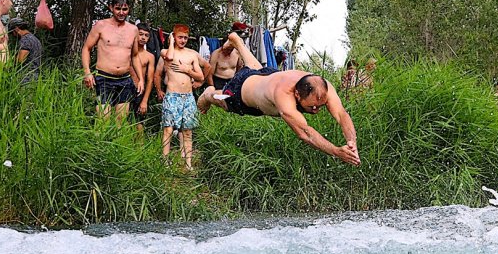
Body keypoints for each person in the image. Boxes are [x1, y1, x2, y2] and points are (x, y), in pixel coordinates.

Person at [197, 33, 360, 166]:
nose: (317, 110)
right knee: (223, 100)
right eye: (313, 107)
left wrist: (352, 143)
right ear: (296, 95)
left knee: (257, 70)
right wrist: (337, 152)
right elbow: (306, 134)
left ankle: (237, 42)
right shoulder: (284, 96)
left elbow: (341, 114)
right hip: (242, 91)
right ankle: (208, 95)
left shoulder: (322, 87)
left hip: (268, 75)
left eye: (321, 105)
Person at [81, 0, 144, 119]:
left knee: (121, 121)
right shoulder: (101, 25)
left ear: (129, 10)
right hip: (104, 78)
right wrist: (87, 72)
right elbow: (86, 49)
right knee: (103, 120)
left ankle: (118, 139)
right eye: (118, 9)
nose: (121, 12)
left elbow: (135, 56)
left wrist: (140, 78)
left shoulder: (133, 30)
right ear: (111, 8)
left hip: (125, 79)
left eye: (124, 9)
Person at [160, 25, 204, 170]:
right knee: (168, 129)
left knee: (187, 131)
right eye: (180, 37)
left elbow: (201, 76)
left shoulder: (191, 55)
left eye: (185, 37)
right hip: (172, 95)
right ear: (173, 36)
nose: (183, 40)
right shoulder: (165, 51)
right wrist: (171, 42)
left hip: (188, 97)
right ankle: (165, 162)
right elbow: (170, 57)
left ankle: (188, 163)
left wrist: (187, 70)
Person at [130, 23, 156, 131]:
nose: (143, 37)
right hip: (124, 87)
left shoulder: (149, 56)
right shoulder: (127, 51)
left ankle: (139, 147)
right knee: (120, 118)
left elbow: (150, 80)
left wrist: (145, 100)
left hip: (139, 91)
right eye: (140, 34)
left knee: (139, 122)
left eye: (146, 35)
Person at [8, 17, 43, 82]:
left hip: (26, 77)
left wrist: (9, 65)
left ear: (16, 29)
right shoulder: (36, 40)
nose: (13, 35)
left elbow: (20, 60)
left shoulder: (25, 40)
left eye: (12, 32)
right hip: (36, 75)